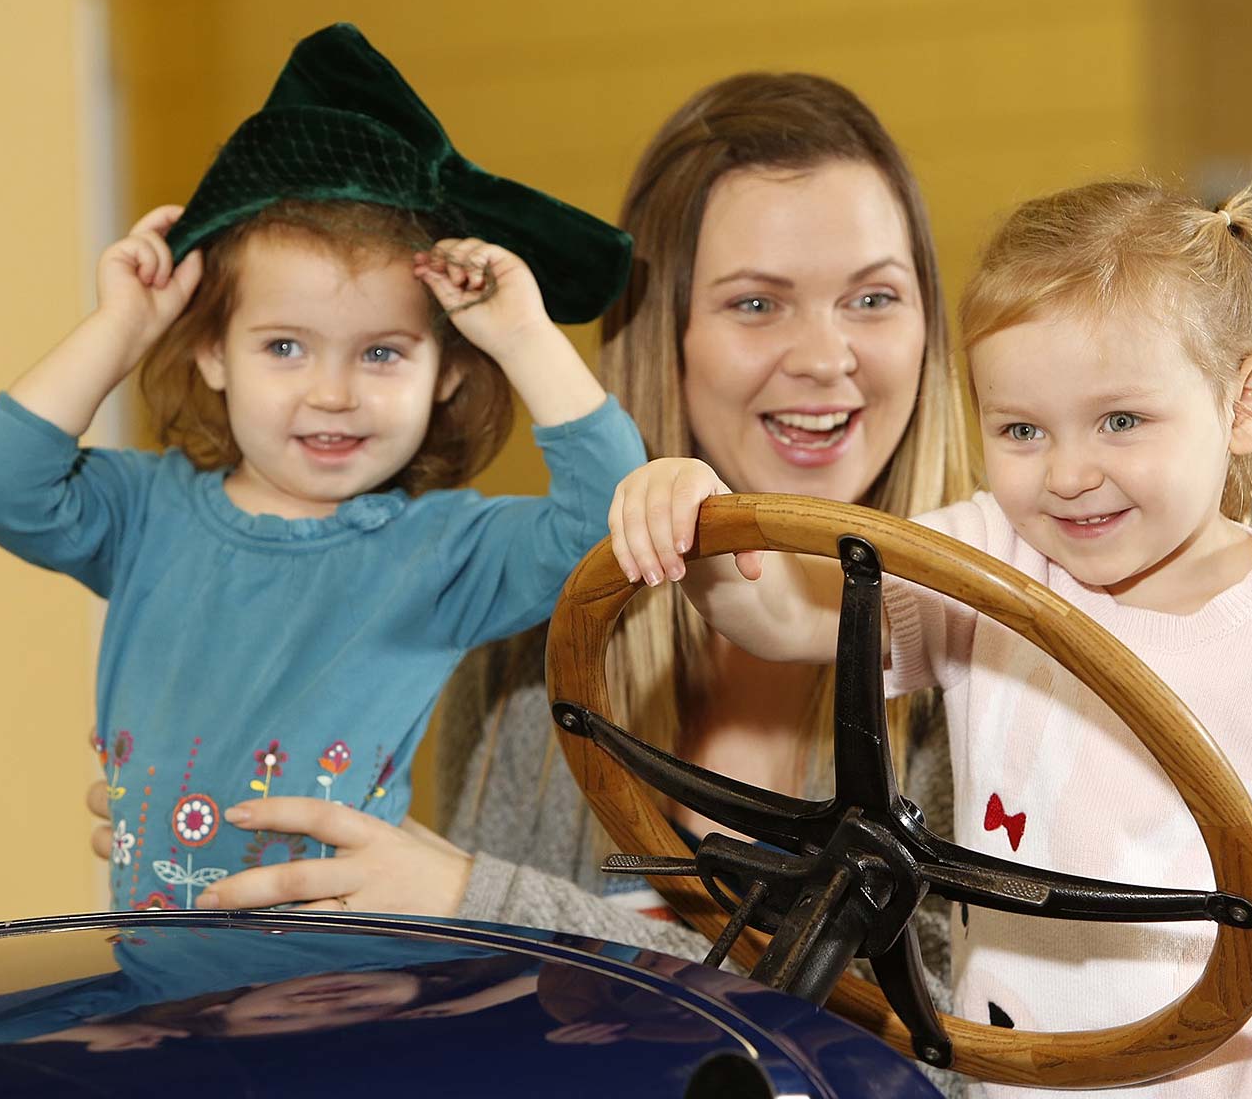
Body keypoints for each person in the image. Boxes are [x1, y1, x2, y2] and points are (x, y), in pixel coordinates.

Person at [609, 179, 1252, 1098]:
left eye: (1121, 421)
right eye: (1021, 430)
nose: (1070, 474)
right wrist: (702, 531)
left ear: (1247, 405)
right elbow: (792, 619)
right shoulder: (988, 562)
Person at [176, 73, 975, 978]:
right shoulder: (536, 643)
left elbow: (949, 1051)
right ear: (660, 336)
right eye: (756, 303)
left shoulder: (989, 646)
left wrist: (479, 903)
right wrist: (198, 803)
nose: (828, 357)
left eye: (872, 298)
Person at [0, 23, 645, 908]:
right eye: (285, 345)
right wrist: (121, 329)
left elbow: (611, 523)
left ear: (448, 375)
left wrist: (523, 337)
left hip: (343, 982)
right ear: (209, 352)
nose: (332, 393)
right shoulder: (141, 515)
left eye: (383, 354)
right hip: (159, 979)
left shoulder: (443, 553)